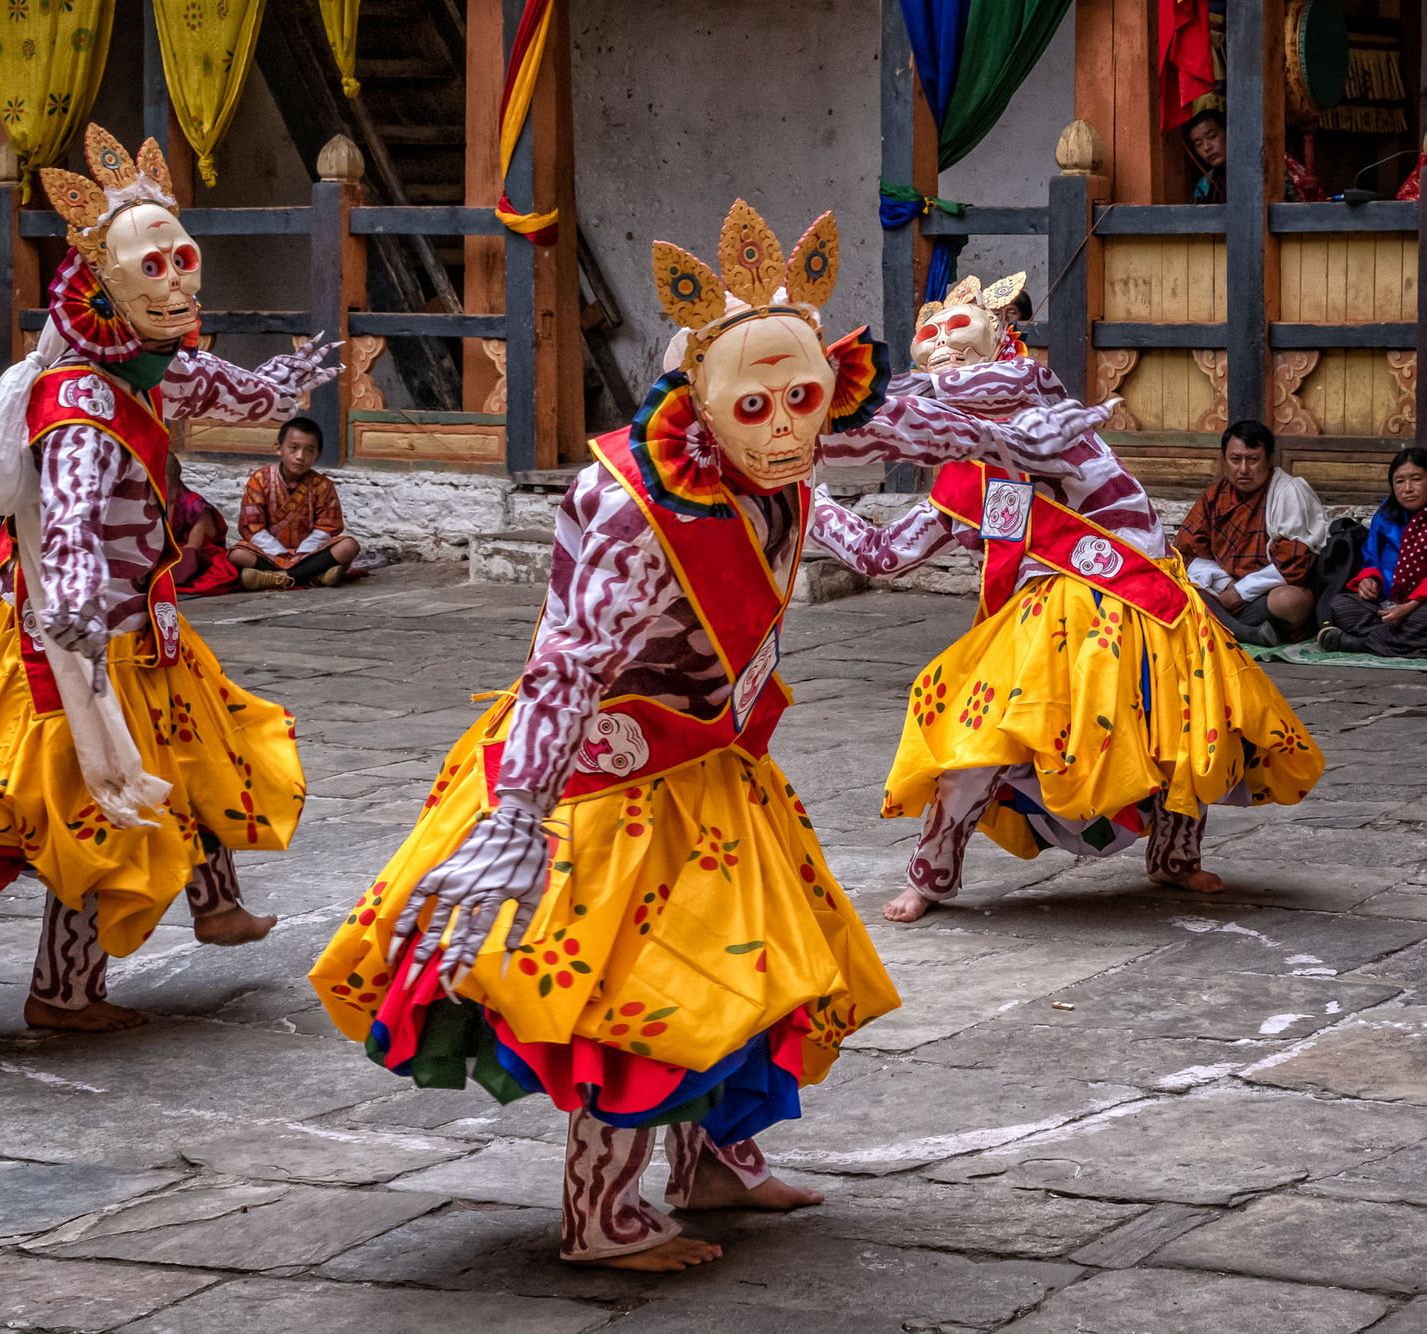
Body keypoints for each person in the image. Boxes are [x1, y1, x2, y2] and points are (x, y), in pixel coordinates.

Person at [311, 203, 1118, 1271]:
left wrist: (1001, 463)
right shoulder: (633, 503)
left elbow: (889, 477)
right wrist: (515, 815)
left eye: (805, 400)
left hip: (716, 763)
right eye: (760, 406)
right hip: (606, 780)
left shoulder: (785, 444)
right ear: (700, 402)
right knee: (633, 995)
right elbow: (566, 659)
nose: (790, 428)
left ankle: (708, 1163)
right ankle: (599, 1208)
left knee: (742, 968)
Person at [0, 125, 340, 1033]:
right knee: (103, 802)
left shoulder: (156, 365)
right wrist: (80, 607)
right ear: (106, 285)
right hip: (78, 636)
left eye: (183, 261)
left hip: (141, 619)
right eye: (152, 270)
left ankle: (216, 904)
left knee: (196, 753)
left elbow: (230, 391)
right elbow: (73, 518)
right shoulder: (80, 398)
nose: (177, 284)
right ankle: (64, 989)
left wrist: (285, 379)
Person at [809, 272, 1325, 924]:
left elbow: (977, 404)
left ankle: (1174, 858)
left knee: (1183, 733)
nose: (950, 360)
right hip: (1051, 621)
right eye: (936, 351)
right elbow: (882, 554)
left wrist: (895, 405)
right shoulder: (964, 480)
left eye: (966, 350)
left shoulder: (1053, 423)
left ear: (1005, 349)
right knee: (978, 745)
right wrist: (808, 500)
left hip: (1148, 600)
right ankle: (932, 875)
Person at [1174, 420, 1326, 647]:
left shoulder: (1287, 491)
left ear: (1269, 460)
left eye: (1253, 460)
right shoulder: (1215, 496)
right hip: (1223, 591)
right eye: (1236, 460)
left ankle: (1223, 625)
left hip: (1266, 595)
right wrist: (1226, 585)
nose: (1243, 469)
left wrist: (1241, 592)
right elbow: (1185, 552)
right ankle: (1247, 633)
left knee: (1288, 600)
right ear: (1224, 461)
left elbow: (1295, 562)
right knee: (1180, 587)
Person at [1317, 447, 1427, 657]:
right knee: (1340, 605)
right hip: (1387, 604)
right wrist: (1369, 579)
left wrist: (1409, 607)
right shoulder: (1386, 514)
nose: (1408, 488)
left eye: (1416, 479)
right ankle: (1400, 641)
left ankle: (1360, 644)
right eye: (1400, 481)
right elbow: (1371, 556)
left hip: (1420, 605)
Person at [229, 417, 360, 589]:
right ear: (278, 448)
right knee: (237, 554)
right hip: (270, 552)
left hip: (310, 553)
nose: (300, 456)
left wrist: (302, 553)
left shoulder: (322, 485)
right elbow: (251, 527)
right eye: (294, 448)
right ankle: (313, 576)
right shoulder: (260, 480)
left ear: (317, 455)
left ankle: (280, 578)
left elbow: (328, 527)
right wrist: (280, 553)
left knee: (348, 546)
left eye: (309, 451)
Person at [1185, 109, 1324, 204]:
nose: (1206, 148)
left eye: (1212, 136)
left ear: (1230, 132)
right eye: (1198, 144)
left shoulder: (1269, 162)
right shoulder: (1206, 184)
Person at [165, 454, 240, 597]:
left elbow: (194, 547)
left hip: (198, 559)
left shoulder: (195, 505)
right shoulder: (154, 501)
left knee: (189, 557)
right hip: (169, 555)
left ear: (169, 478)